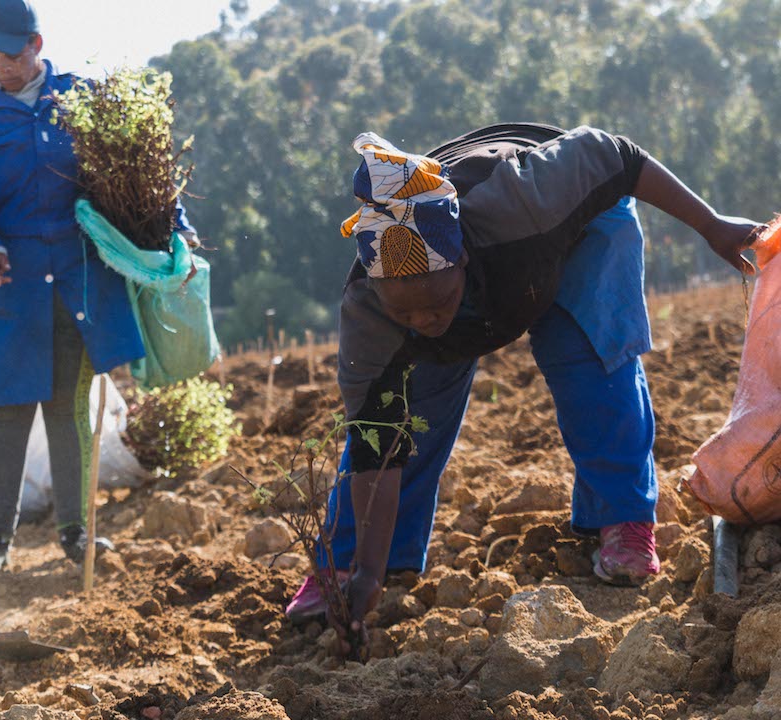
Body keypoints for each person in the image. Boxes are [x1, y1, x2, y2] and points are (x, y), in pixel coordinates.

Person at [285, 123, 765, 648]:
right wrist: (368, 574)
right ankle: (348, 563)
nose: (424, 318)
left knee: (589, 361)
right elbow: (377, 445)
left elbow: (617, 157)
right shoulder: (370, 314)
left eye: (435, 302)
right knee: (407, 411)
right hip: (486, 289)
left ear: (462, 259)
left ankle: (624, 520)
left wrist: (712, 223)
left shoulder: (523, 201)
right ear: (378, 290)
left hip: (572, 237)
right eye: (407, 310)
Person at [0, 0, 198, 571]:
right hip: (7, 283)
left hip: (76, 279)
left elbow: (142, 170)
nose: (0, 67)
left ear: (36, 44)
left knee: (66, 408)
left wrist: (174, 231)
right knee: (6, 410)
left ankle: (75, 533)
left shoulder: (83, 100)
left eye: (9, 55)